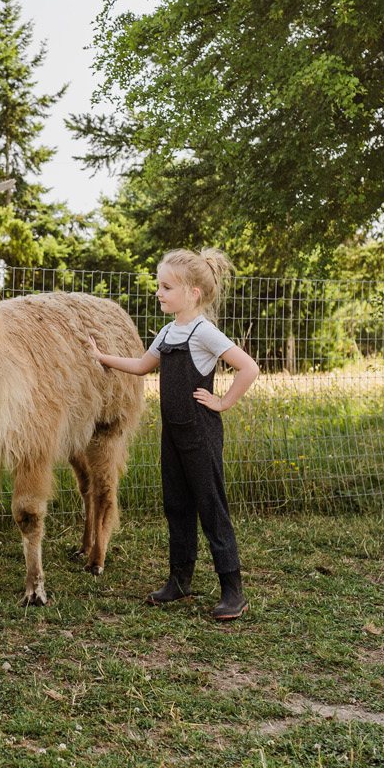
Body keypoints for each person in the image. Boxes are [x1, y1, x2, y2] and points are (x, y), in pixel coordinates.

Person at [90, 248, 259, 620]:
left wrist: (223, 402)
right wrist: (102, 357)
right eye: (159, 286)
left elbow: (248, 367)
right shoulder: (168, 332)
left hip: (201, 433)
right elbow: (140, 366)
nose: (159, 293)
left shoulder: (204, 332)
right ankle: (179, 581)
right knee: (176, 505)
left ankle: (233, 590)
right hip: (173, 435)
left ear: (193, 293)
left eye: (166, 287)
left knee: (211, 507)